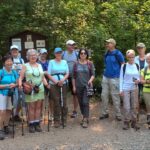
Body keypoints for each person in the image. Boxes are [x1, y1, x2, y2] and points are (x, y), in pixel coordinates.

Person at [19, 49, 49, 133]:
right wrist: (20, 85)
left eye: (34, 55)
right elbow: (21, 77)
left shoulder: (39, 65)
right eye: (31, 55)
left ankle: (37, 123)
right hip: (30, 89)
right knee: (31, 107)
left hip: (40, 88)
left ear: (37, 56)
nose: (33, 56)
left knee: (39, 106)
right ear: (28, 57)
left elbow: (42, 77)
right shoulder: (25, 65)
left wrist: (47, 85)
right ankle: (31, 124)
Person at [100, 38, 125, 121]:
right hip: (106, 77)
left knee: (115, 97)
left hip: (115, 78)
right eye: (107, 43)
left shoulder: (118, 53)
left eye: (109, 43)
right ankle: (105, 113)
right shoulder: (106, 53)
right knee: (104, 96)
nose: (107, 44)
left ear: (113, 44)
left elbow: (123, 64)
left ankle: (118, 114)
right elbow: (105, 63)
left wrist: (121, 76)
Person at [72, 48, 95, 128]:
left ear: (87, 54)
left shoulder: (90, 63)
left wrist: (90, 80)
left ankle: (85, 119)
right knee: (81, 103)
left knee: (85, 102)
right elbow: (73, 77)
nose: (83, 54)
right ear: (79, 54)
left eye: (84, 53)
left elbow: (93, 74)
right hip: (78, 86)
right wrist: (74, 86)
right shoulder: (75, 64)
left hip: (87, 86)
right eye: (81, 53)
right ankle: (84, 116)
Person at [48, 47, 69, 128]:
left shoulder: (64, 62)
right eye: (57, 53)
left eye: (60, 53)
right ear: (55, 53)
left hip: (64, 83)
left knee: (64, 101)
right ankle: (56, 120)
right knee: (56, 101)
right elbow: (49, 74)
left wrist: (63, 80)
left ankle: (64, 119)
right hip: (54, 84)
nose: (58, 54)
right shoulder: (51, 62)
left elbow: (67, 73)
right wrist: (55, 81)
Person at [120, 50, 140, 130]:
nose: (131, 58)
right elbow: (121, 78)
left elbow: (138, 76)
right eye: (129, 57)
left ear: (134, 57)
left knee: (134, 106)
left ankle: (134, 122)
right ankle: (126, 122)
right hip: (125, 88)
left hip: (135, 88)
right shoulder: (124, 66)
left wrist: (138, 80)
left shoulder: (137, 65)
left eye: (132, 57)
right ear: (127, 57)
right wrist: (120, 90)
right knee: (126, 107)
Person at [0, 55, 18, 140]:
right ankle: (0, 129)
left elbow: (18, 82)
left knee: (9, 110)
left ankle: (6, 125)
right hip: (2, 94)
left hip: (11, 94)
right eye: (7, 61)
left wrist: (15, 85)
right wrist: (8, 85)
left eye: (10, 61)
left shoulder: (14, 72)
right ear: (4, 63)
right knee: (2, 111)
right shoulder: (1, 72)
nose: (9, 62)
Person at [62, 40, 79, 118]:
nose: (72, 46)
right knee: (63, 94)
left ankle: (75, 111)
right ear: (67, 45)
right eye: (71, 45)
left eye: (73, 45)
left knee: (75, 94)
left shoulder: (77, 53)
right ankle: (63, 110)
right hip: (64, 76)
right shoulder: (63, 54)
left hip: (74, 77)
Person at [10, 45, 25, 122]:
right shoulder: (9, 60)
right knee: (13, 101)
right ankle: (11, 116)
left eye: (16, 50)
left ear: (18, 51)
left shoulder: (21, 60)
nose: (14, 51)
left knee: (20, 99)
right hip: (12, 82)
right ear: (11, 52)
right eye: (13, 50)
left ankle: (16, 115)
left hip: (20, 82)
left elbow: (24, 70)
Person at [38, 48, 53, 122]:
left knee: (50, 99)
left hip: (50, 82)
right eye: (42, 54)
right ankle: (40, 115)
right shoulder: (37, 63)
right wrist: (45, 72)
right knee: (41, 100)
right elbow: (37, 73)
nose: (43, 55)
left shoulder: (49, 62)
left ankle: (50, 115)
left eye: (45, 54)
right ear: (39, 54)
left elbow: (52, 71)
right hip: (40, 83)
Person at [140, 53, 150, 128]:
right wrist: (147, 81)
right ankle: (149, 118)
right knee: (148, 105)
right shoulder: (144, 70)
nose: (149, 60)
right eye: (147, 59)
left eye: (149, 59)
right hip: (146, 90)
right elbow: (141, 81)